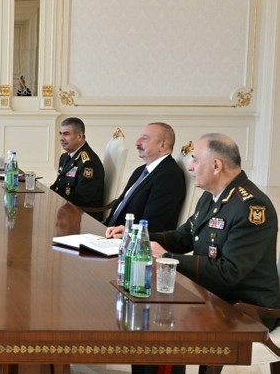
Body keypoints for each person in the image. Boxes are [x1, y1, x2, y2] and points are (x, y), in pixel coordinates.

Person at [109, 134, 280, 374]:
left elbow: (229, 272)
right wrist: (137, 234)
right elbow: (183, 237)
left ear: (216, 165)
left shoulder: (251, 207)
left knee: (162, 322)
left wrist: (167, 257)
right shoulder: (212, 197)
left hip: (245, 307)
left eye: (195, 160)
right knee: (146, 311)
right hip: (214, 294)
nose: (189, 167)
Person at [103, 123, 186, 231]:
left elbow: (152, 226)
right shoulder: (140, 171)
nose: (137, 142)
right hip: (109, 231)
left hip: (128, 238)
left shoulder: (169, 177)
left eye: (145, 138)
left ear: (162, 145)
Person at [50, 117, 106, 219]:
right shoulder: (65, 157)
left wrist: (54, 202)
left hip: (82, 218)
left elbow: (81, 199)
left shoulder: (88, 163)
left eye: (66, 134)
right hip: (66, 211)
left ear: (79, 136)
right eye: (60, 133)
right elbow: (58, 186)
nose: (61, 138)